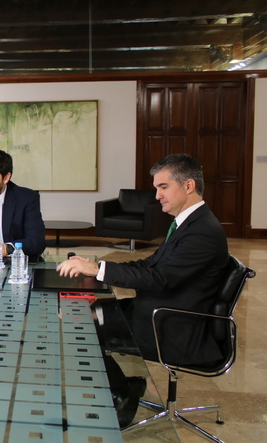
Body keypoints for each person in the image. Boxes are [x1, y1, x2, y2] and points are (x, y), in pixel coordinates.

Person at [57, 153, 229, 428]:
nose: (157, 195)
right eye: (156, 188)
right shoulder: (188, 223)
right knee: (83, 315)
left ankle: (121, 396)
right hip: (160, 311)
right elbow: (151, 264)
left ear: (188, 186)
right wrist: (98, 267)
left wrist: (99, 270)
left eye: (163, 187)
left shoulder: (202, 231)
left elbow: (159, 278)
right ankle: (125, 387)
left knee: (79, 327)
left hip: (174, 326)